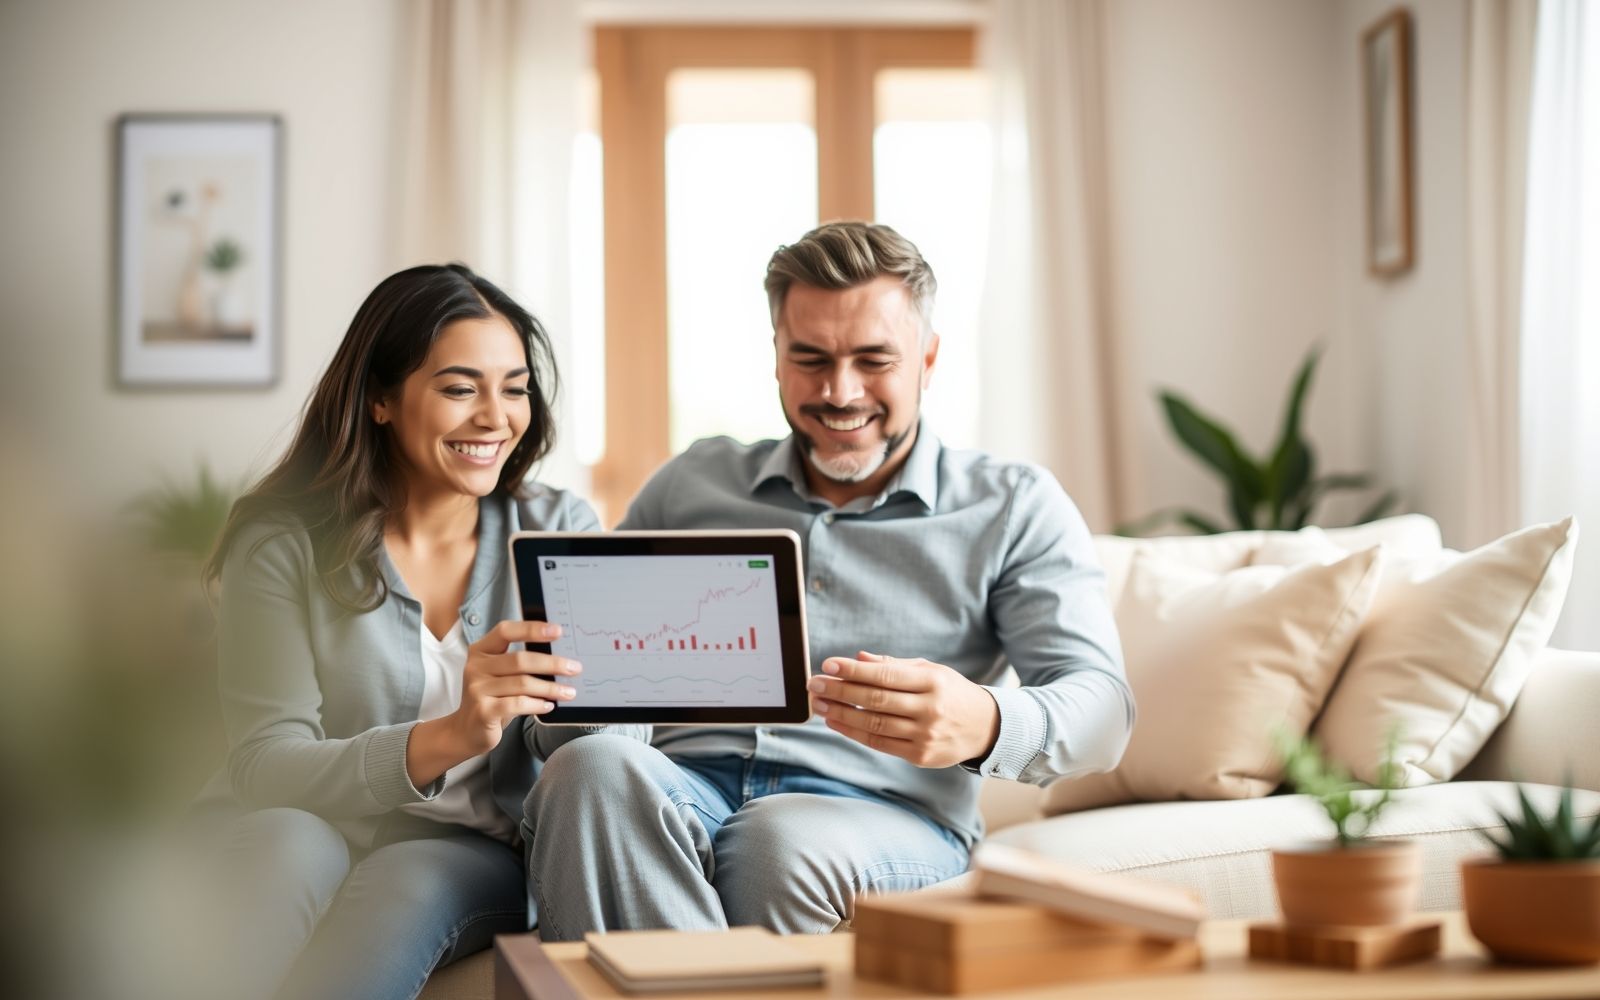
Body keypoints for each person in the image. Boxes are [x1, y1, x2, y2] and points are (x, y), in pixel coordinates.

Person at [521, 221, 1135, 940]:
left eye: (874, 360)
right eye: (810, 358)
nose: (840, 392)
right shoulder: (691, 484)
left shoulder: (1012, 506)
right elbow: (593, 676)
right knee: (591, 766)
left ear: (928, 358)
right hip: (686, 786)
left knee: (776, 843)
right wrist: (565, 687)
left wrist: (985, 720)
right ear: (777, 357)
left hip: (883, 814)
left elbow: (1103, 711)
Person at [192, 263, 594, 1000]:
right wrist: (453, 734)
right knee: (287, 846)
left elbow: (604, 732)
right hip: (307, 822)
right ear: (380, 399)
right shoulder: (283, 543)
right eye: (459, 388)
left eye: (514, 389)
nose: (495, 417)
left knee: (406, 878)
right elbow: (265, 761)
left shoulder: (559, 528)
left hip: (471, 850)